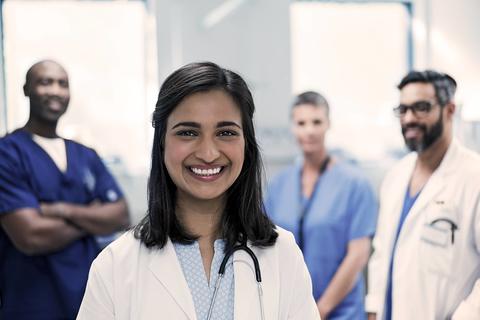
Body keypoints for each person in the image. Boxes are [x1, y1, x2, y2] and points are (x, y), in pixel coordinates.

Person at [76, 62, 320, 320]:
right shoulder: (116, 265)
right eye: (188, 133)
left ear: (246, 145)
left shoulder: (283, 255)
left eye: (226, 132)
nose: (208, 153)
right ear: (161, 143)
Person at [0, 60, 130, 319]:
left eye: (63, 83)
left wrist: (60, 210)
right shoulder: (8, 153)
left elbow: (120, 216)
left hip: (88, 300)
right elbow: (30, 236)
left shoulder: (86, 155)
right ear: (26, 90)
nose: (55, 90)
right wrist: (92, 218)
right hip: (31, 303)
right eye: (45, 82)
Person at [366, 70, 480, 319]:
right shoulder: (396, 176)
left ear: (449, 110)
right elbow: (382, 252)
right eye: (403, 109)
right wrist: (373, 308)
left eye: (421, 107)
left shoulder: (474, 178)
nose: (409, 118)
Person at [265, 91, 377, 319]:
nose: (309, 130)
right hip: (288, 310)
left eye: (317, 122)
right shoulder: (279, 185)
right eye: (301, 123)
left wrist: (319, 310)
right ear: (292, 127)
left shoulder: (355, 184)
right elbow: (267, 245)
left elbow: (358, 255)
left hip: (340, 312)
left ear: (328, 124)